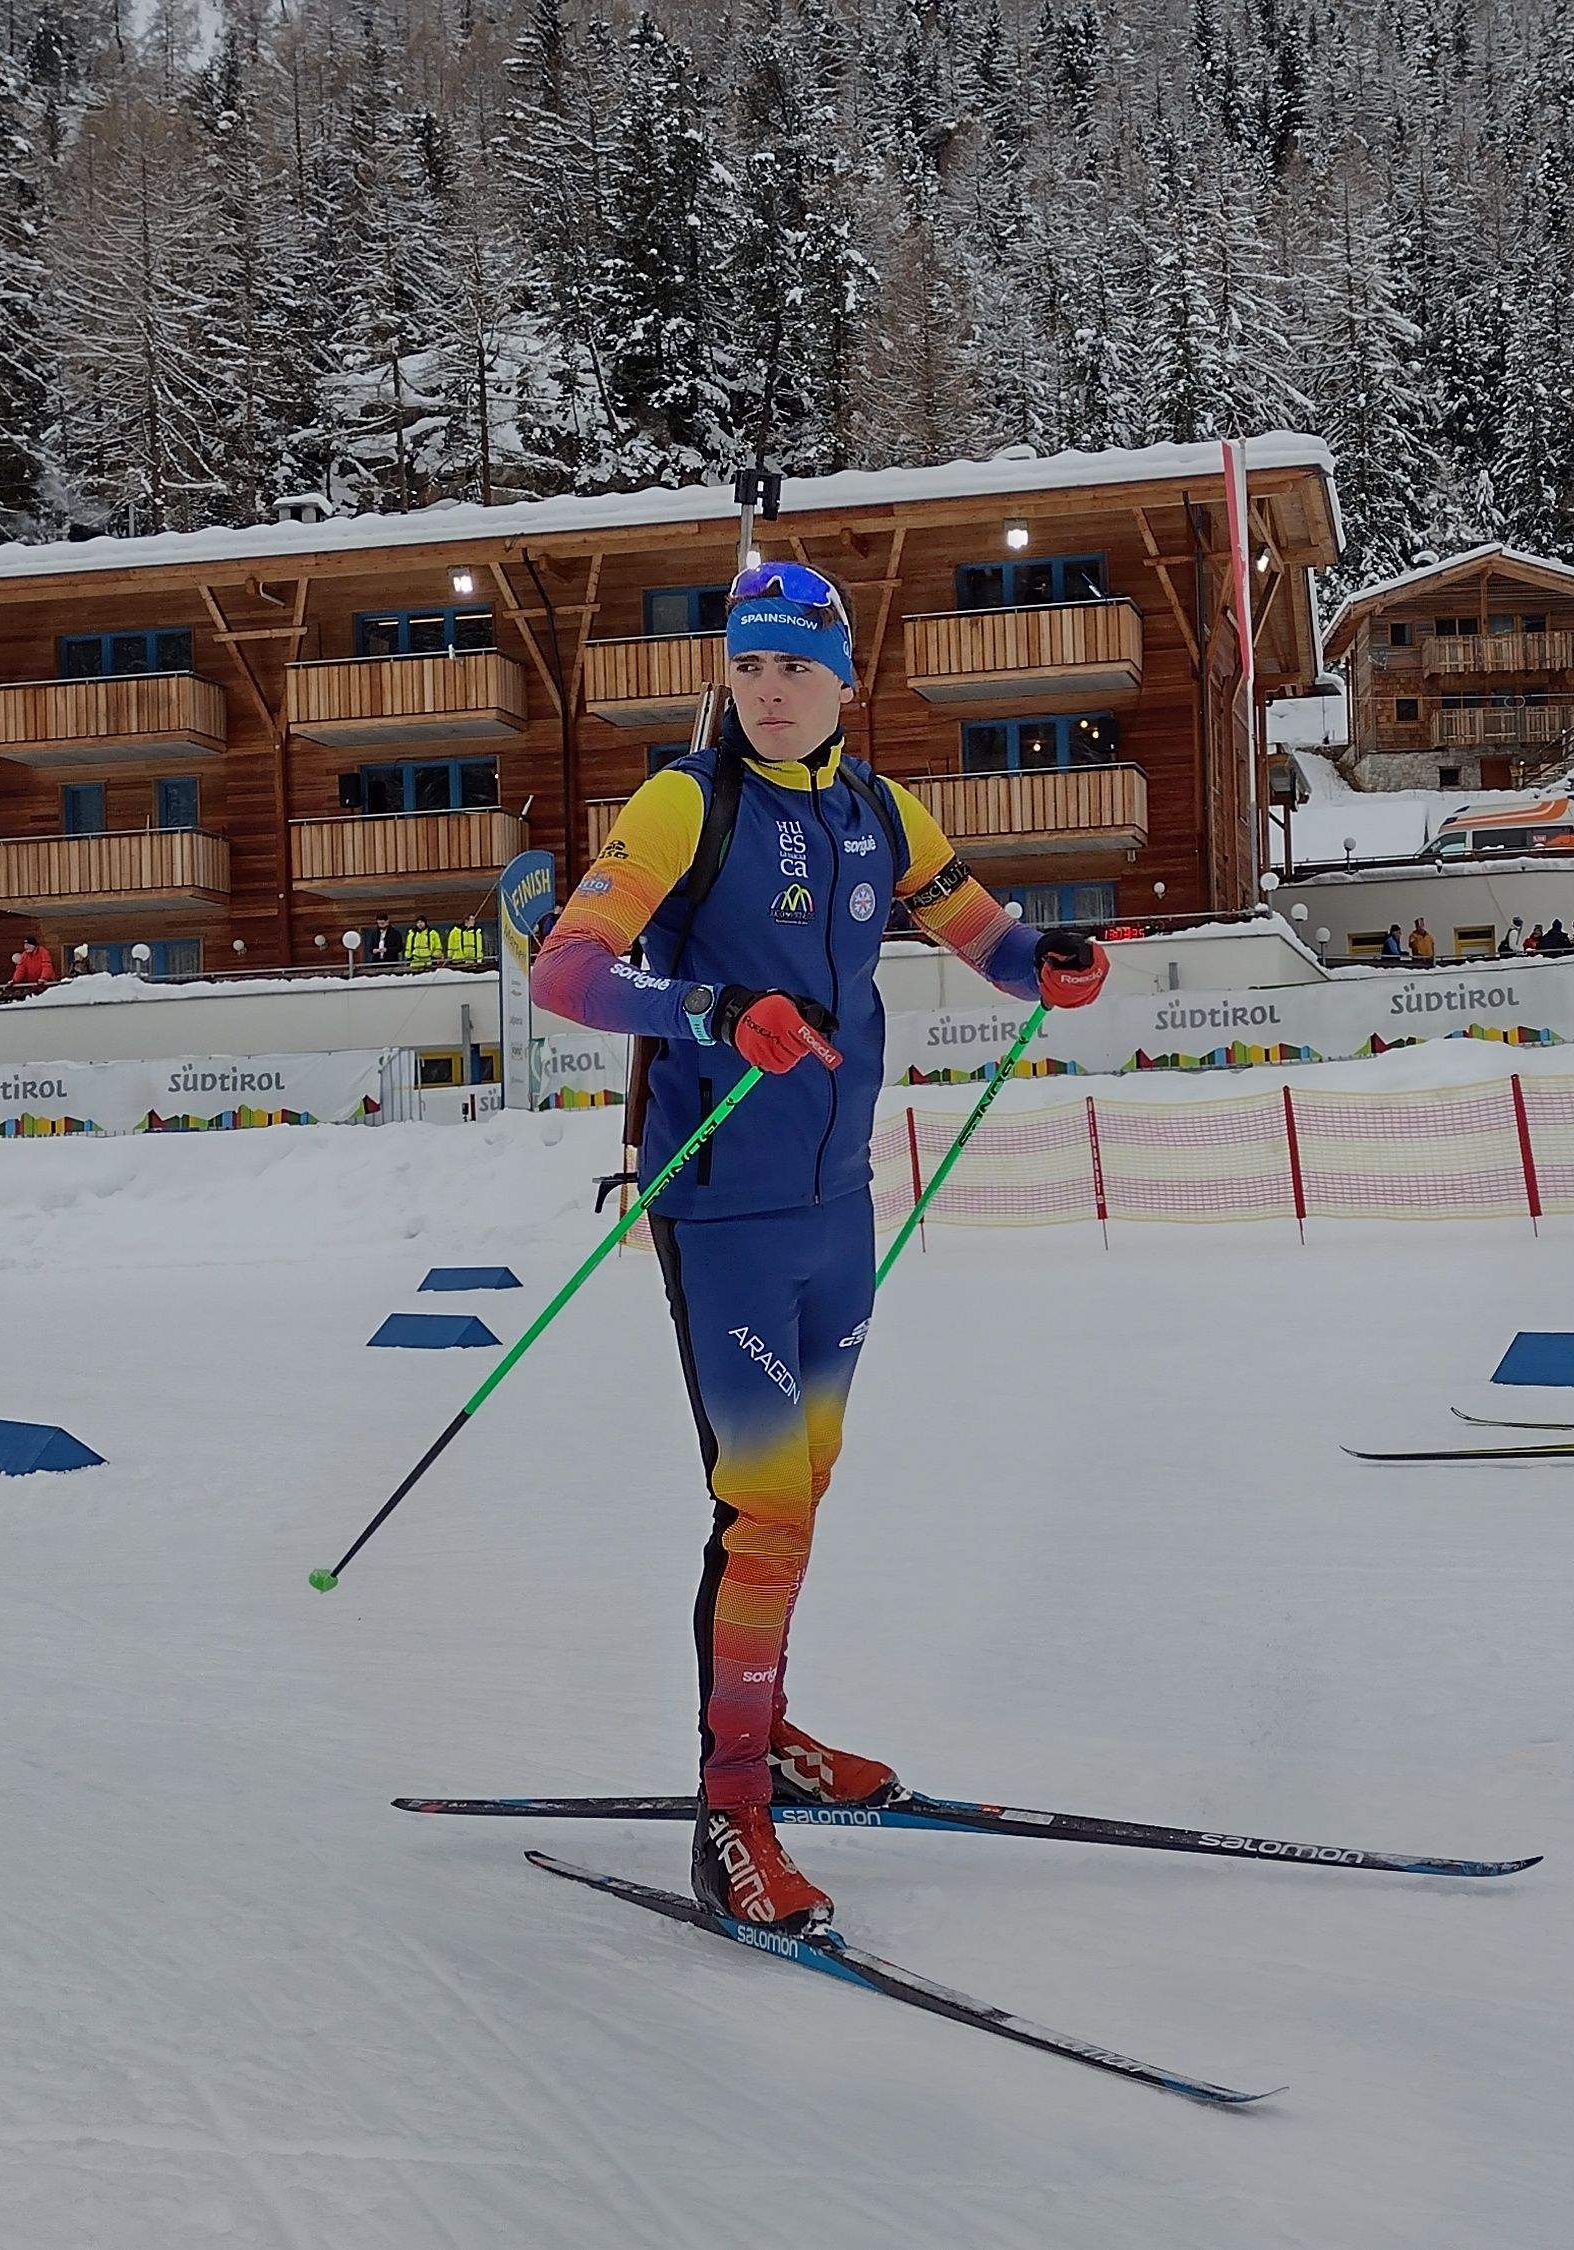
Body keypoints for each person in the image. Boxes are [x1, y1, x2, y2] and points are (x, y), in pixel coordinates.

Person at [531, 556, 1107, 1932]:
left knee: (807, 1495)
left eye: (798, 665)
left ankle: (773, 1728)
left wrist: (1050, 963)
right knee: (765, 1506)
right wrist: (716, 1009)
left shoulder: (877, 806)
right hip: (722, 1205)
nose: (772, 690)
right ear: (726, 677)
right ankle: (731, 1813)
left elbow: (983, 929)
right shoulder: (689, 800)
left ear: (845, 681)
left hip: (841, 1208)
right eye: (750, 665)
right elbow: (567, 970)